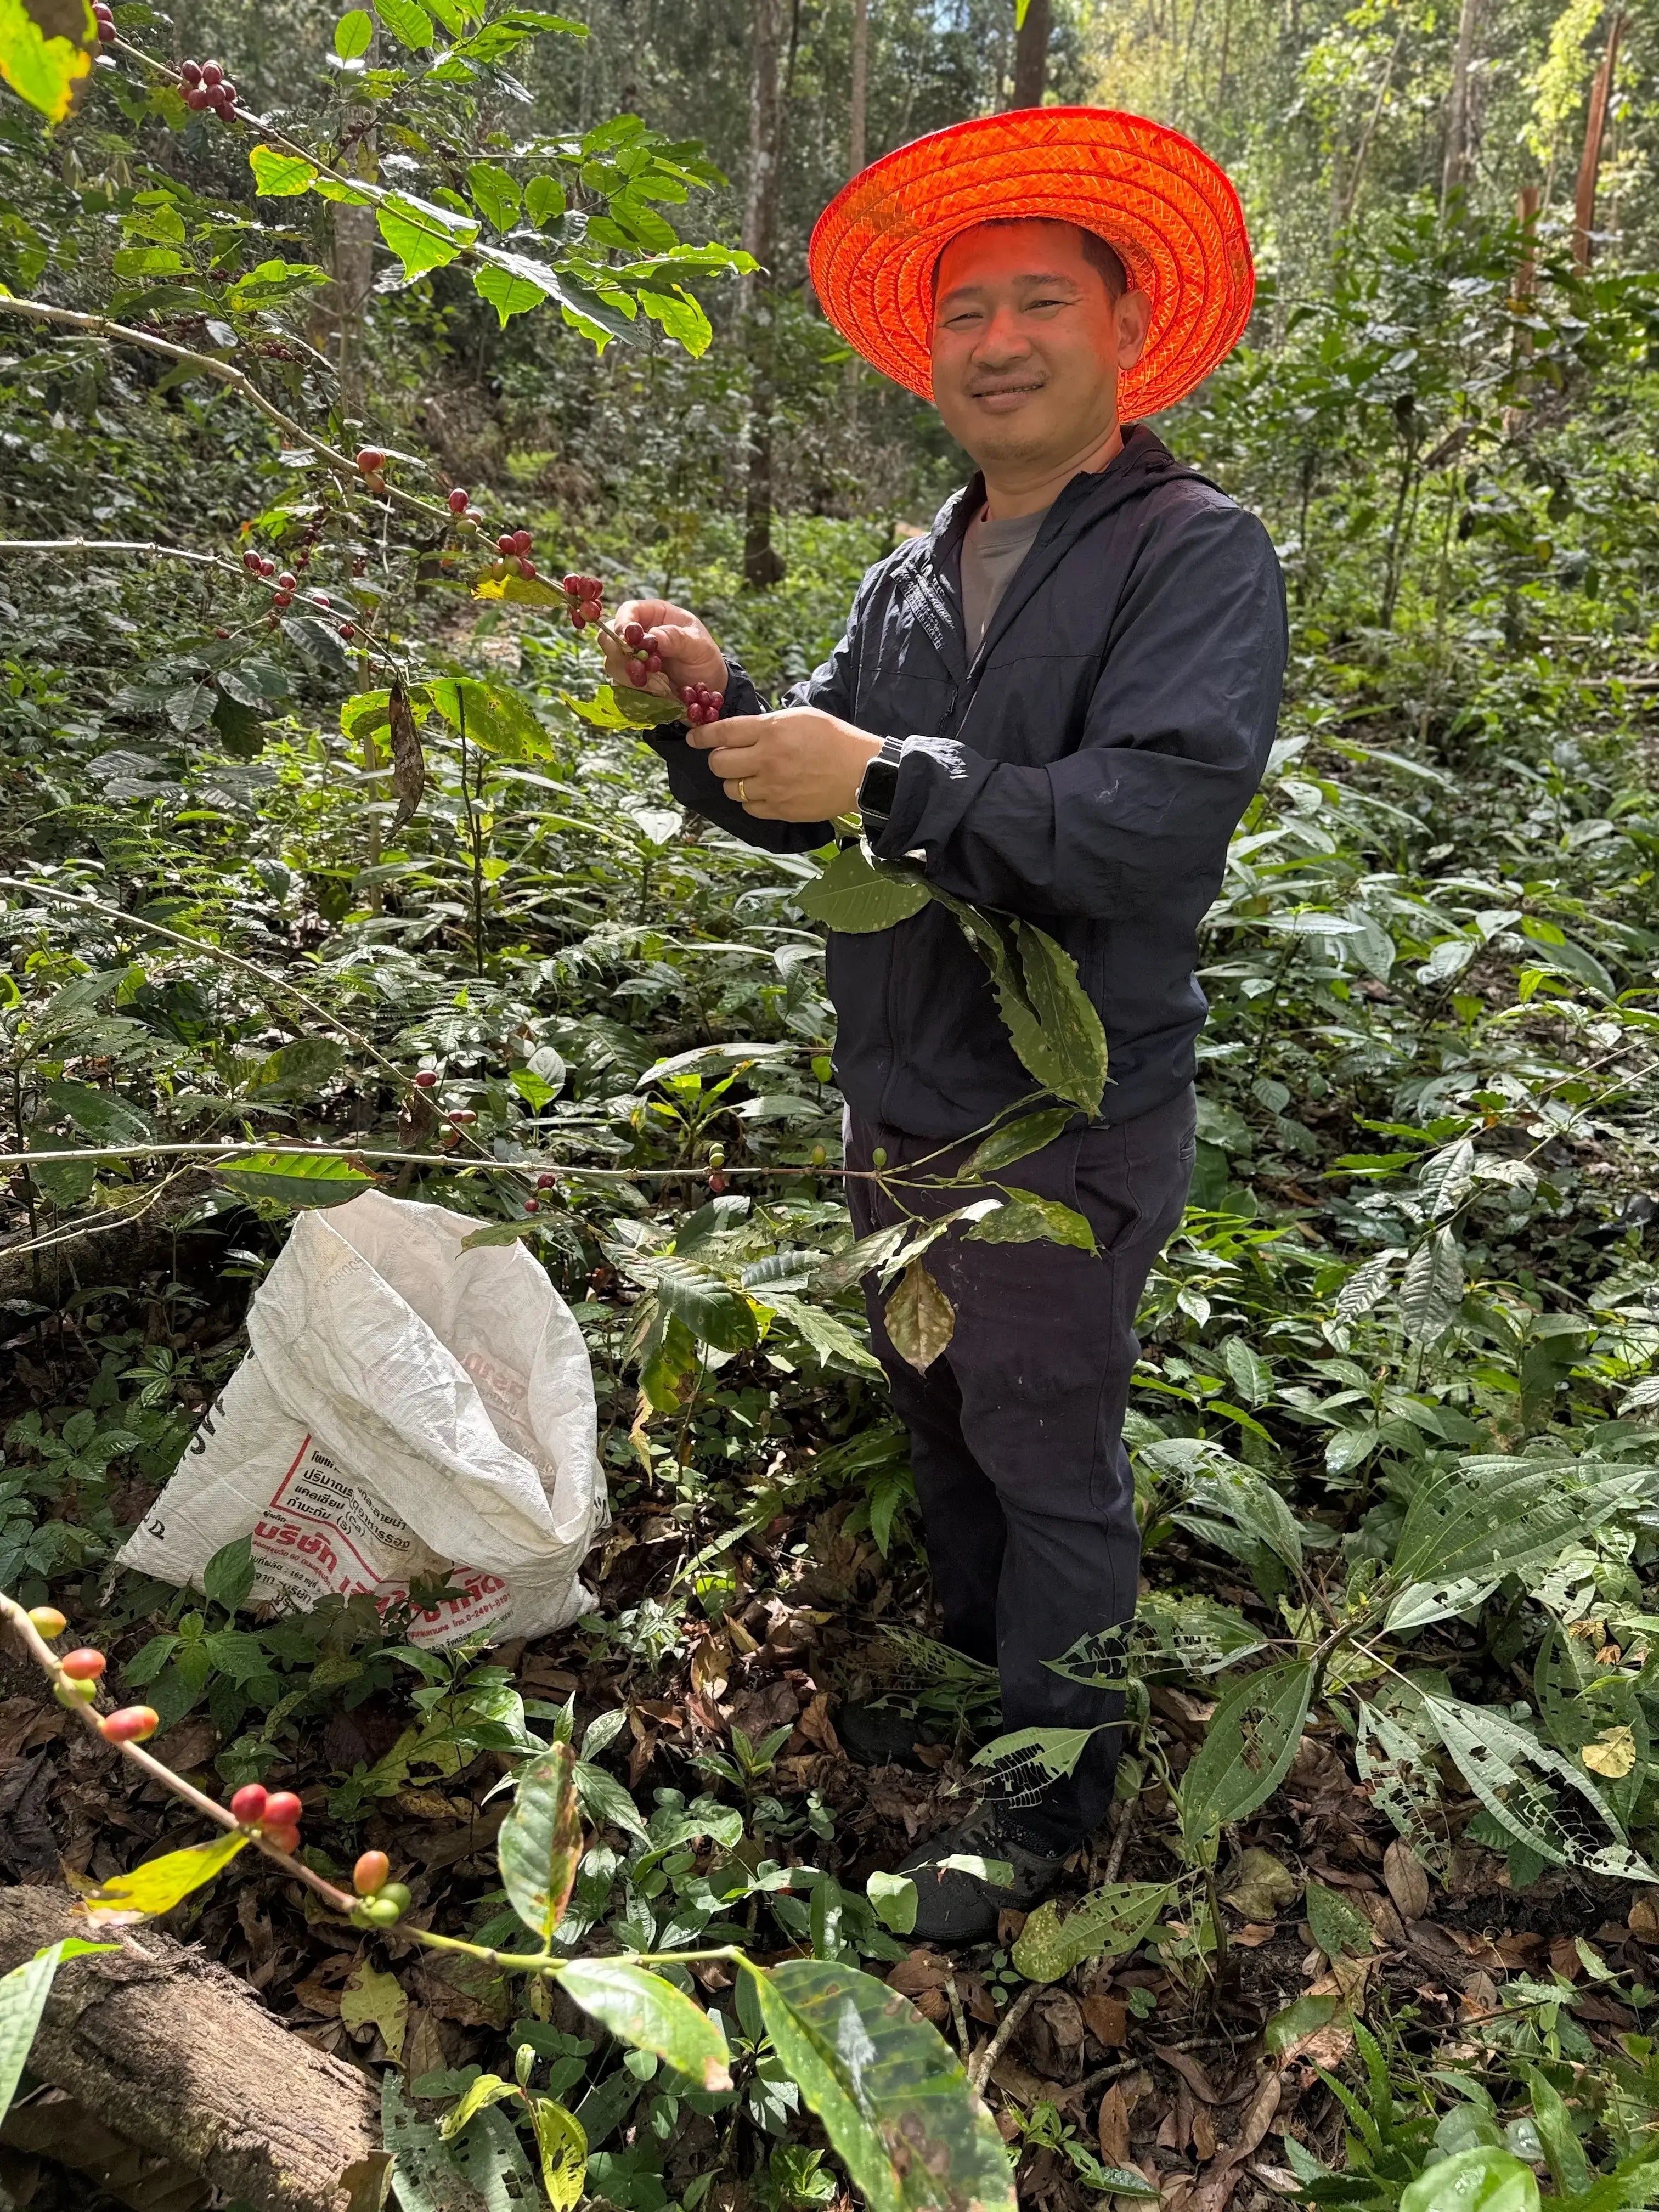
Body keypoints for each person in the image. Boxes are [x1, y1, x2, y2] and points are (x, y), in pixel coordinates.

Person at [601, 106, 1288, 1942]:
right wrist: (709, 709)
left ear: (1124, 329)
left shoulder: (1192, 556)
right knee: (938, 1401)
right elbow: (808, 789)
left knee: (1051, 1435)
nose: (997, 340)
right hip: (894, 1094)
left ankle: (1053, 1794)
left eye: (1038, 302)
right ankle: (987, 1654)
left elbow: (1151, 824)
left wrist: (889, 774)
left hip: (1065, 1112)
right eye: (963, 310)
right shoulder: (908, 576)